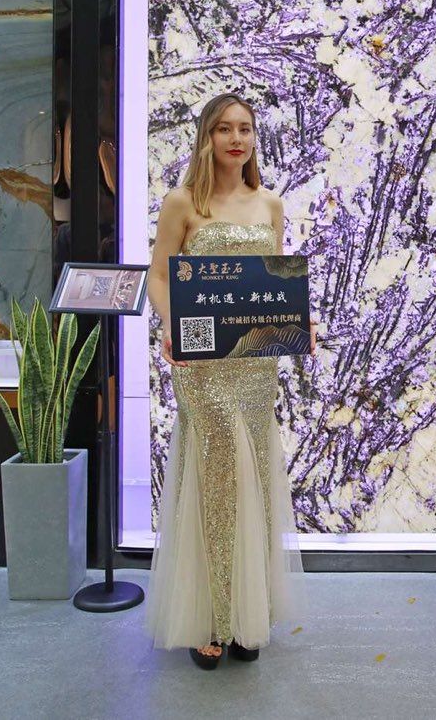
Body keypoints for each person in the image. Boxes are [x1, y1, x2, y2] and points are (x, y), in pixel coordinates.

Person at [145, 92, 307, 669]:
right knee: (214, 477)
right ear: (207, 137)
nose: (236, 139)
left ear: (254, 138)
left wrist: (298, 322)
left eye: (245, 129)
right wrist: (171, 327)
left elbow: (274, 284)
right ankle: (210, 615)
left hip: (256, 366)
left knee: (253, 476)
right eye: (224, 129)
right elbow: (159, 277)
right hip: (203, 367)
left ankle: (245, 614)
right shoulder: (182, 202)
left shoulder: (270, 203)